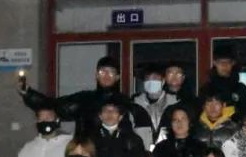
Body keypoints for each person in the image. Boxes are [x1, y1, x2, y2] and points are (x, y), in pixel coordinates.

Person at [20, 54, 151, 140]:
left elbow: (136, 137)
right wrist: (29, 94)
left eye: (111, 72)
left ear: (117, 77)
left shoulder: (125, 103)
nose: (106, 75)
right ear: (96, 75)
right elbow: (54, 106)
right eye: (102, 72)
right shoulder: (84, 99)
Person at [131, 64, 178, 148]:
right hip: (142, 153)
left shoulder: (175, 103)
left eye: (155, 78)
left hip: (169, 152)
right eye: (147, 79)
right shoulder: (134, 104)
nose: (151, 82)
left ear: (163, 81)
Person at [201, 44, 246, 116]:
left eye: (228, 62)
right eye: (220, 62)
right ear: (214, 63)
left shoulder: (240, 89)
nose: (224, 66)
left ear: (233, 63)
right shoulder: (206, 89)